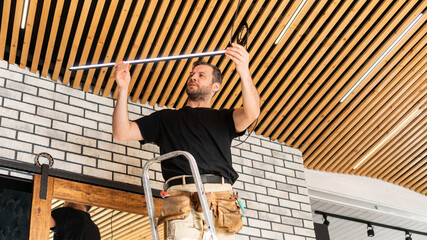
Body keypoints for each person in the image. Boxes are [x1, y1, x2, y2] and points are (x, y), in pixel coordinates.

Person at [112, 43, 260, 239]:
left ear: (216, 87)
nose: (193, 77)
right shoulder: (165, 119)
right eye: (192, 74)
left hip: (221, 200)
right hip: (181, 198)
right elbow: (121, 132)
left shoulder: (225, 118)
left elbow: (252, 112)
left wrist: (243, 70)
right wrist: (123, 89)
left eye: (201, 75)